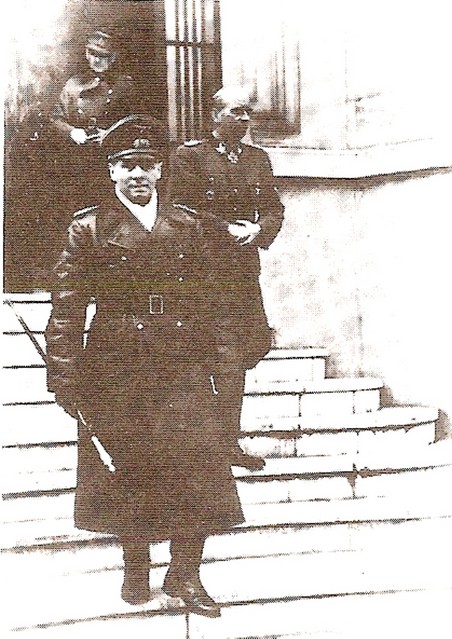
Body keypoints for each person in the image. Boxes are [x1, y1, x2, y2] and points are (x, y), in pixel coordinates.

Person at [44, 115, 244, 617]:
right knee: (131, 469)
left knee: (197, 467)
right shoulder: (89, 228)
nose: (138, 174)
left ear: (159, 170)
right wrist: (64, 374)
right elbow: (67, 307)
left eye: (147, 164)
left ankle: (186, 574)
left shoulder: (187, 225)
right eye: (127, 164)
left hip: (181, 362)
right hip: (117, 365)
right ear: (112, 171)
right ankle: (136, 566)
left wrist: (225, 361)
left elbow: (214, 298)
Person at [167, 86, 285, 471]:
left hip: (243, 274)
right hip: (202, 273)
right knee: (218, 356)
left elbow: (273, 207)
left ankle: (223, 441)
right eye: (236, 111)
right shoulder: (190, 157)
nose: (245, 119)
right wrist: (226, 229)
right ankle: (217, 444)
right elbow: (180, 209)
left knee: (249, 347)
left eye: (247, 112)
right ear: (215, 115)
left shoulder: (257, 159)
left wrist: (259, 230)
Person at [50, 29, 138, 212]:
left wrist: (110, 134)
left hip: (110, 157)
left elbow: (135, 122)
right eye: (92, 54)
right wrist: (72, 131)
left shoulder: (124, 85)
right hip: (77, 158)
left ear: (113, 58)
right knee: (78, 206)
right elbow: (56, 118)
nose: (97, 60)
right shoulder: (73, 84)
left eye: (103, 56)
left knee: (109, 207)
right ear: (86, 54)